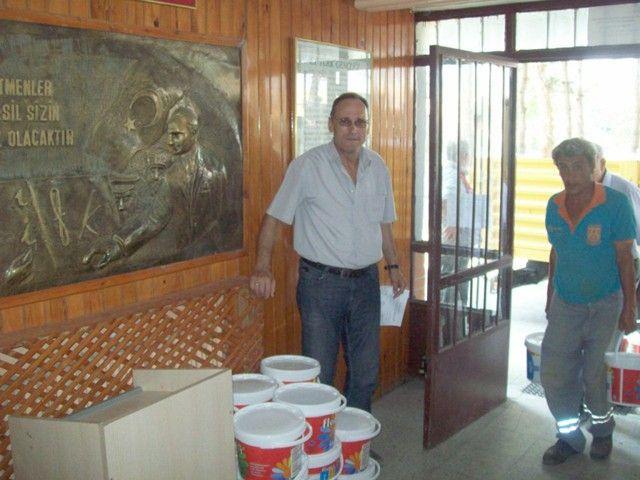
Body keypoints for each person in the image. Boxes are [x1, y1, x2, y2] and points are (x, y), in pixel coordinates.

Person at [250, 92, 406, 412]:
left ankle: (353, 438)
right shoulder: (307, 166)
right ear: (330, 124)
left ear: (367, 126)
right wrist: (262, 267)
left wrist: (393, 266)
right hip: (321, 285)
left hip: (366, 283)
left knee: (366, 373)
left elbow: (384, 224)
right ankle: (323, 440)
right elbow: (274, 218)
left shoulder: (378, 167)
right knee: (319, 375)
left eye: (360, 122)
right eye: (345, 122)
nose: (353, 129)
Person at [541, 138, 637, 465]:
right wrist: (550, 295)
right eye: (563, 168)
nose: (570, 174)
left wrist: (630, 307)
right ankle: (569, 437)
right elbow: (556, 252)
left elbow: (625, 259)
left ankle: (603, 430)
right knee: (554, 374)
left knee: (594, 374)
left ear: (594, 167)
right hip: (566, 302)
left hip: (605, 303)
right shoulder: (554, 205)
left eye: (578, 166)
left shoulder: (616, 203)